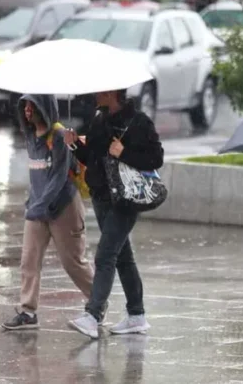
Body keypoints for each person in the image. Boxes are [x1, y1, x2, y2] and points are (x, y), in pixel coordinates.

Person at [63, 91, 164, 339]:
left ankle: (93, 315)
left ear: (111, 93)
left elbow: (156, 158)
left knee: (105, 255)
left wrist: (124, 153)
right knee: (123, 258)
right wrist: (74, 144)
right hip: (101, 197)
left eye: (100, 91)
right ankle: (136, 315)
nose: (95, 94)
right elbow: (92, 158)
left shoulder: (139, 122)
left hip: (125, 200)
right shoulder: (100, 119)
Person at [2, 94, 96, 331]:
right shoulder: (30, 137)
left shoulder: (59, 136)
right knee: (29, 261)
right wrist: (33, 203)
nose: (27, 111)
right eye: (25, 106)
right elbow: (38, 176)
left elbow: (58, 176)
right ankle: (27, 311)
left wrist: (40, 205)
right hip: (37, 209)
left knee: (73, 262)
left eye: (32, 106)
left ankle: (97, 301)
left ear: (43, 108)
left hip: (64, 207)